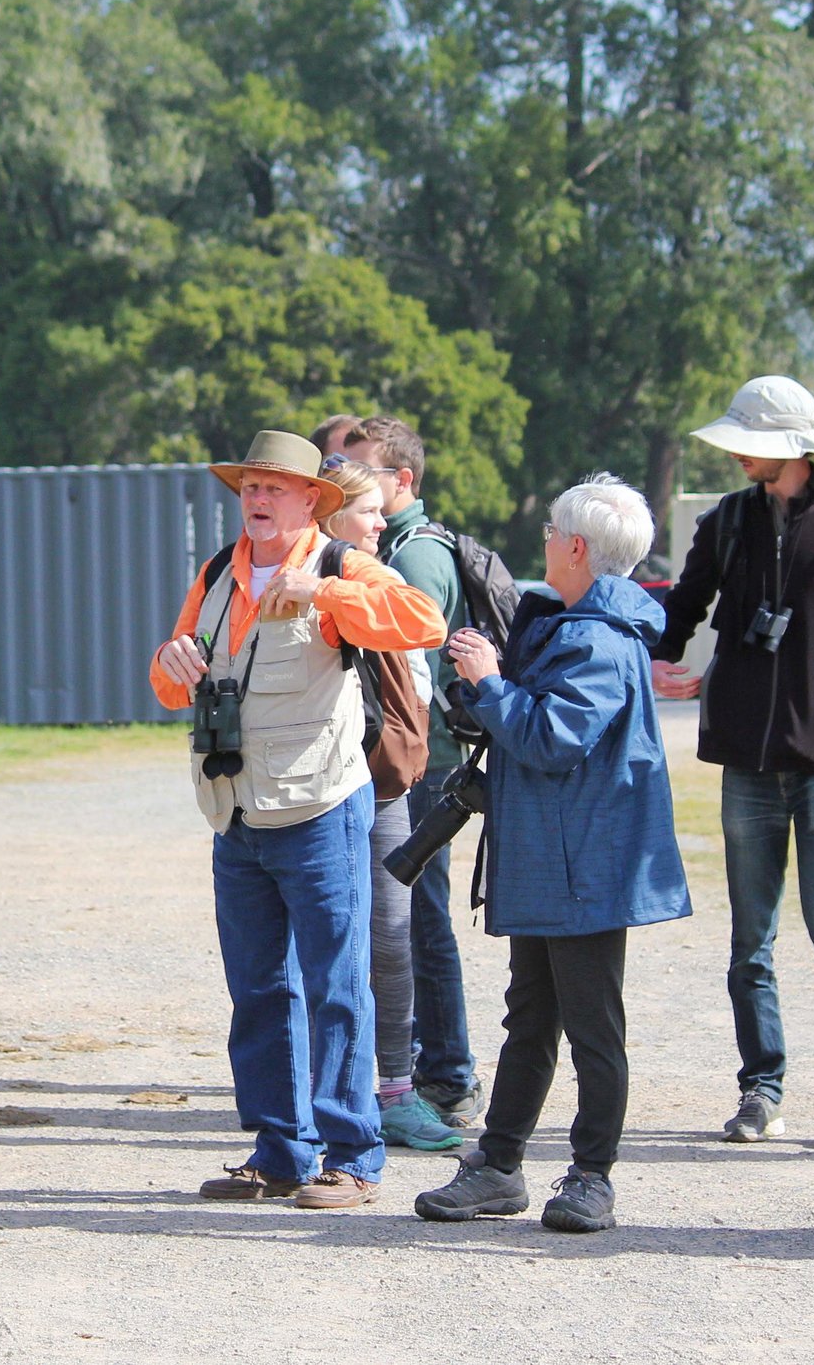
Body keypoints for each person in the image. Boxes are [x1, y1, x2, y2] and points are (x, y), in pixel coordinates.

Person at [151, 430, 446, 1209]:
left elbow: (425, 620)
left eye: (275, 487)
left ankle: (353, 1156)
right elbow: (173, 678)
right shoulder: (217, 573)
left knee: (336, 986)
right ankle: (280, 1150)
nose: (256, 497)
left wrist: (324, 595)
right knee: (257, 989)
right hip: (235, 812)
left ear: (312, 500)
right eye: (250, 485)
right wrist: (171, 664)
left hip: (320, 811)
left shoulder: (340, 565)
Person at [413, 474, 691, 1234]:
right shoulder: (574, 625)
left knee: (592, 1026)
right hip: (555, 860)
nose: (541, 543)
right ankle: (499, 1167)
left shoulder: (598, 639)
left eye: (549, 532)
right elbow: (527, 724)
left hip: (583, 866)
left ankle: (592, 1177)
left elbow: (552, 737)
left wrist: (490, 681)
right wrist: (482, 688)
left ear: (576, 546)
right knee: (531, 1017)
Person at [652, 376, 814, 1148]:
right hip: (746, 764)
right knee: (749, 942)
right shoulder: (725, 521)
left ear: (792, 449)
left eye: (748, 443)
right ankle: (760, 1090)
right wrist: (649, 659)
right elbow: (681, 610)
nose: (735, 454)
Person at [320, 457, 462, 1154]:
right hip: (311, 792)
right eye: (369, 512)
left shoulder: (387, 580)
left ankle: (398, 1091)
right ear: (330, 515)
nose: (383, 522)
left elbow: (420, 655)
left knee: (392, 936)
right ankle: (322, 1098)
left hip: (382, 786)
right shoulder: (291, 579)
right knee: (318, 943)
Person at [343, 415, 481, 1128]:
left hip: (423, 768)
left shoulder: (417, 554)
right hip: (414, 764)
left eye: (364, 473)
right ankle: (429, 1067)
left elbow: (411, 678)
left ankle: (449, 1077)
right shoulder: (389, 543)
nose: (351, 483)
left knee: (418, 925)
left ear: (402, 481)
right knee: (407, 924)